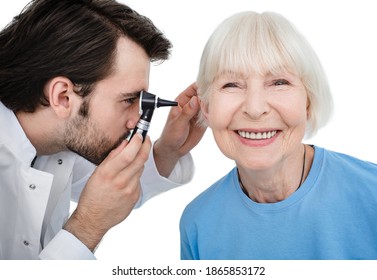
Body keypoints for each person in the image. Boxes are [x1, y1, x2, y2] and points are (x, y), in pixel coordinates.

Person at [0, 0, 205, 260]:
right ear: (63, 97)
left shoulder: (60, 142)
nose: (135, 120)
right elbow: (97, 209)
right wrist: (86, 228)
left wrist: (168, 151)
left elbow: (112, 190)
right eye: (129, 100)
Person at [179, 11, 377, 260]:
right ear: (206, 108)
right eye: (231, 85)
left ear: (308, 102)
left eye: (279, 82)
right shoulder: (197, 224)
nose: (254, 107)